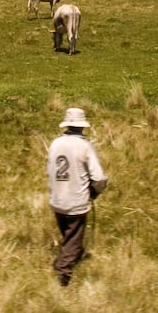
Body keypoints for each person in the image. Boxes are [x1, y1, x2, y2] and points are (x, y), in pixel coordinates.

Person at [47, 107, 107, 286]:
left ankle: (74, 254)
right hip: (77, 202)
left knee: (68, 234)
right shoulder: (84, 146)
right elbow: (99, 177)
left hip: (57, 200)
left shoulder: (55, 144)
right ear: (82, 127)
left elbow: (50, 170)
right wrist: (96, 191)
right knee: (73, 235)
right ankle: (64, 273)